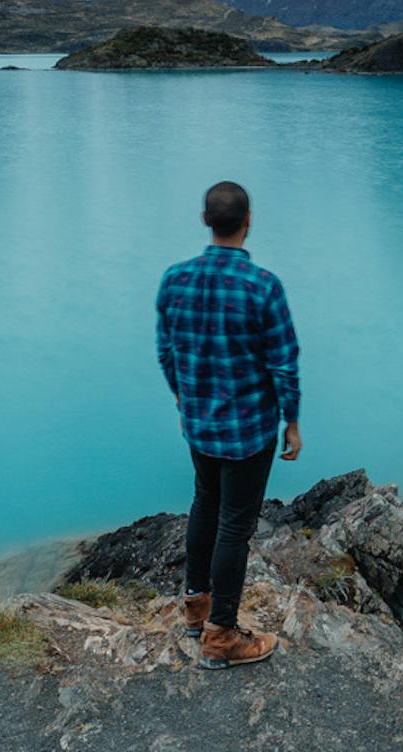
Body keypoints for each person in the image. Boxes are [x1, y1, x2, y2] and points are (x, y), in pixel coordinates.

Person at [156, 180, 302, 669]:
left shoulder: (174, 280)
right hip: (248, 430)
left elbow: (166, 350)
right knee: (234, 527)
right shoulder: (263, 286)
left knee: (204, 502)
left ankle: (195, 610)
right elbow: (283, 362)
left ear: (204, 221)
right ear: (249, 221)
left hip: (199, 423)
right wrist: (293, 421)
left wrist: (183, 395)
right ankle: (221, 638)